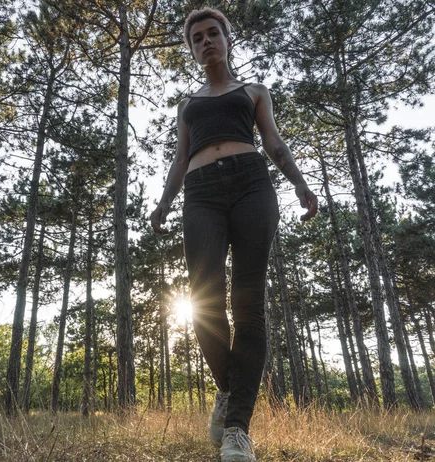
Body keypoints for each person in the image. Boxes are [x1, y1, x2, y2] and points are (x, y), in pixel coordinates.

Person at [150, 8, 317, 462]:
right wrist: (164, 203)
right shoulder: (188, 105)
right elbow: (180, 160)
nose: (205, 41)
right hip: (201, 195)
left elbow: (274, 142)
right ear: (191, 49)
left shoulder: (254, 91)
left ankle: (237, 428)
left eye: (212, 34)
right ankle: (230, 390)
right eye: (196, 38)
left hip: (251, 186)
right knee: (202, 301)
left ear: (227, 39)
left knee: (248, 302)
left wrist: (300, 182)